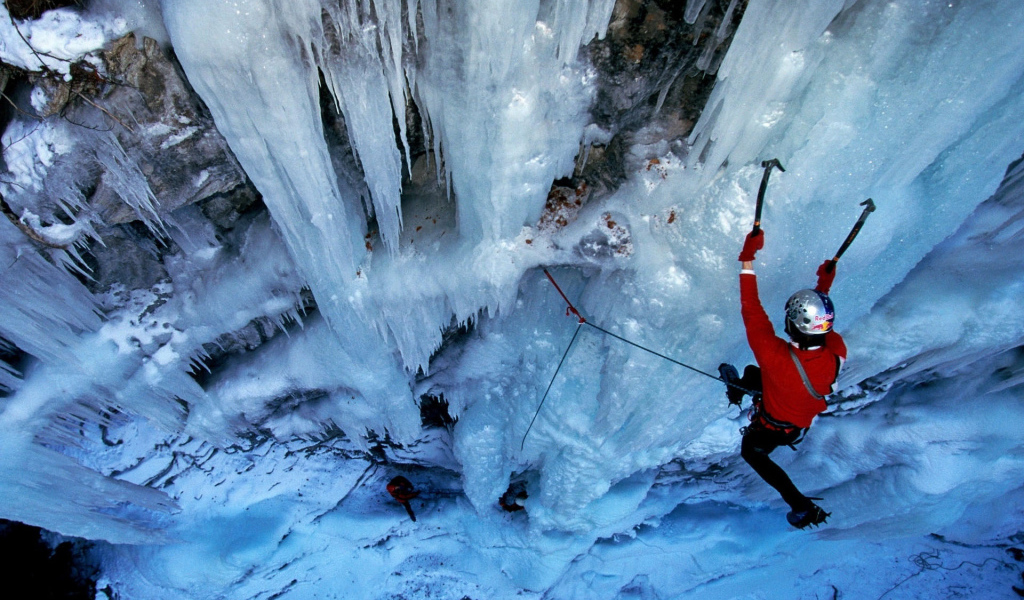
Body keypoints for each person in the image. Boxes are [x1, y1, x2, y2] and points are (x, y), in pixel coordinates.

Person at [720, 228, 847, 529]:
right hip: (791, 425)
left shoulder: (774, 355)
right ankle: (740, 388)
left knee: (751, 450)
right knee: (755, 375)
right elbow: (819, 329)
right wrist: (822, 291)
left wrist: (747, 257)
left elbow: (752, 307)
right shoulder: (835, 354)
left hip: (772, 422)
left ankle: (801, 504)